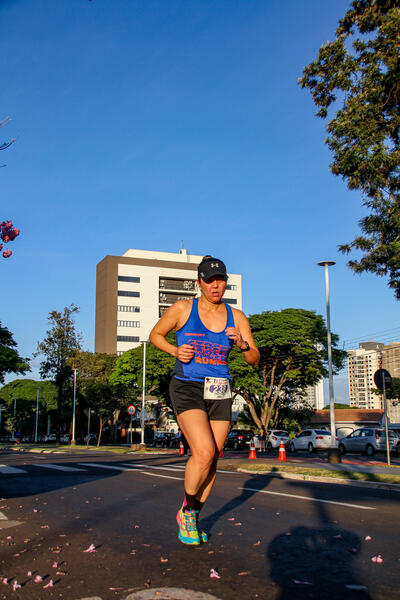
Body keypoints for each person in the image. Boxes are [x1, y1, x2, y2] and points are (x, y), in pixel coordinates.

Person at [149, 255, 260, 545]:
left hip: (220, 388)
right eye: (209, 280)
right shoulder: (183, 309)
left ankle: (192, 513)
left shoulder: (237, 317)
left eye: (220, 279)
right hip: (187, 385)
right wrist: (175, 351)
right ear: (199, 283)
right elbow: (155, 335)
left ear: (225, 282)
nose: (215, 285)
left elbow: (253, 359)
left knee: (212, 462)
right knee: (204, 452)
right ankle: (187, 512)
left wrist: (242, 343)